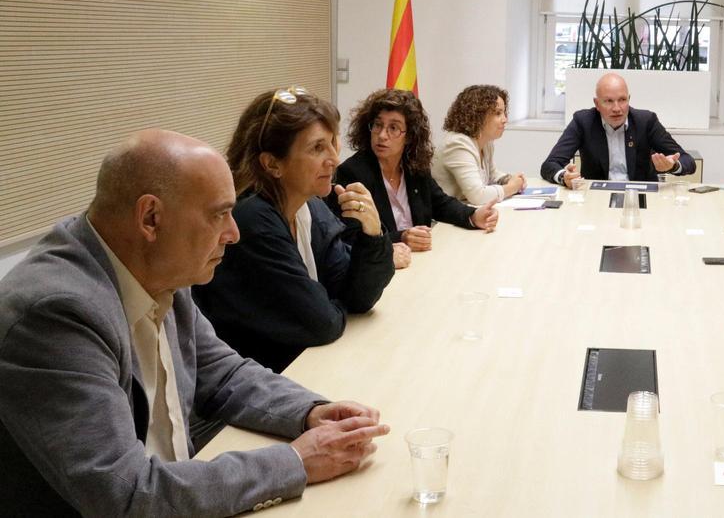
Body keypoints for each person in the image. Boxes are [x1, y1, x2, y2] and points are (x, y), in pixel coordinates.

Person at [0, 130, 390, 517]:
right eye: (219, 214)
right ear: (151, 218)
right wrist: (295, 462)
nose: (234, 233)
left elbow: (222, 373)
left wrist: (310, 411)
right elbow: (126, 495)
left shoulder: (156, 265)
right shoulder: (56, 314)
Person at [193, 87, 394, 373]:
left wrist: (372, 236)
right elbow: (322, 323)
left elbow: (358, 297)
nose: (334, 160)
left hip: (300, 367)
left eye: (331, 144)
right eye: (317, 148)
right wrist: (331, 301)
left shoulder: (310, 206)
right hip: (253, 384)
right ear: (272, 164)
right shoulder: (251, 219)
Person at [335, 88, 499, 256]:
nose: (382, 135)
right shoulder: (353, 173)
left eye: (393, 128)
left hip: (420, 259)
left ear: (409, 137)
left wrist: (473, 215)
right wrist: (401, 237)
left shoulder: (414, 166)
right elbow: (350, 237)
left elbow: (440, 203)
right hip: (383, 265)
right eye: (378, 125)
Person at [540, 72, 696, 185]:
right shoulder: (583, 122)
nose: (617, 108)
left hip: (641, 194)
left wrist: (673, 165)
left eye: (622, 100)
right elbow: (550, 164)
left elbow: (688, 161)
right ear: (597, 104)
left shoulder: (646, 121)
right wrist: (563, 177)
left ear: (629, 99)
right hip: (597, 197)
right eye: (608, 101)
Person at [432, 84, 526, 204]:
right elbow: (478, 196)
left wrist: (510, 179)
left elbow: (492, 175)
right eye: (498, 113)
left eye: (504, 113)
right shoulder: (457, 144)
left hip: (466, 210)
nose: (505, 119)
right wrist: (512, 187)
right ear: (478, 116)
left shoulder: (485, 141)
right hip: (444, 219)